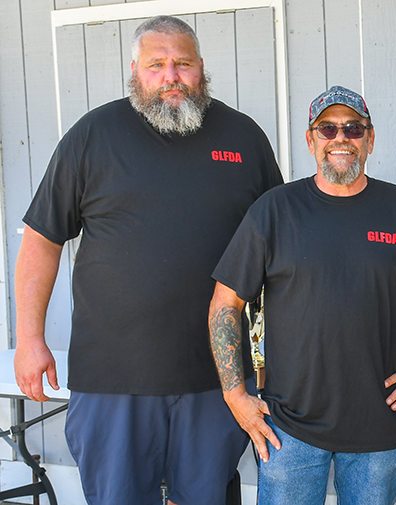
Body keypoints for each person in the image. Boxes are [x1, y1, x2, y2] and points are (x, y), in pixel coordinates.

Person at [13, 16, 283, 505]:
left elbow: (279, 254)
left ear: (202, 68)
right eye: (156, 65)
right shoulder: (93, 136)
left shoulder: (244, 139)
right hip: (113, 379)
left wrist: (276, 359)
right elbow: (41, 239)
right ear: (135, 70)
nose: (171, 76)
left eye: (183, 63)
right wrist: (30, 340)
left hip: (216, 380)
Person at [208, 85, 396, 505]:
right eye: (328, 129)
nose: (341, 138)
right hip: (288, 430)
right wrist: (235, 396)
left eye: (353, 129)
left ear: (370, 139)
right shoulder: (274, 211)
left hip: (378, 428)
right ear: (310, 139)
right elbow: (225, 303)